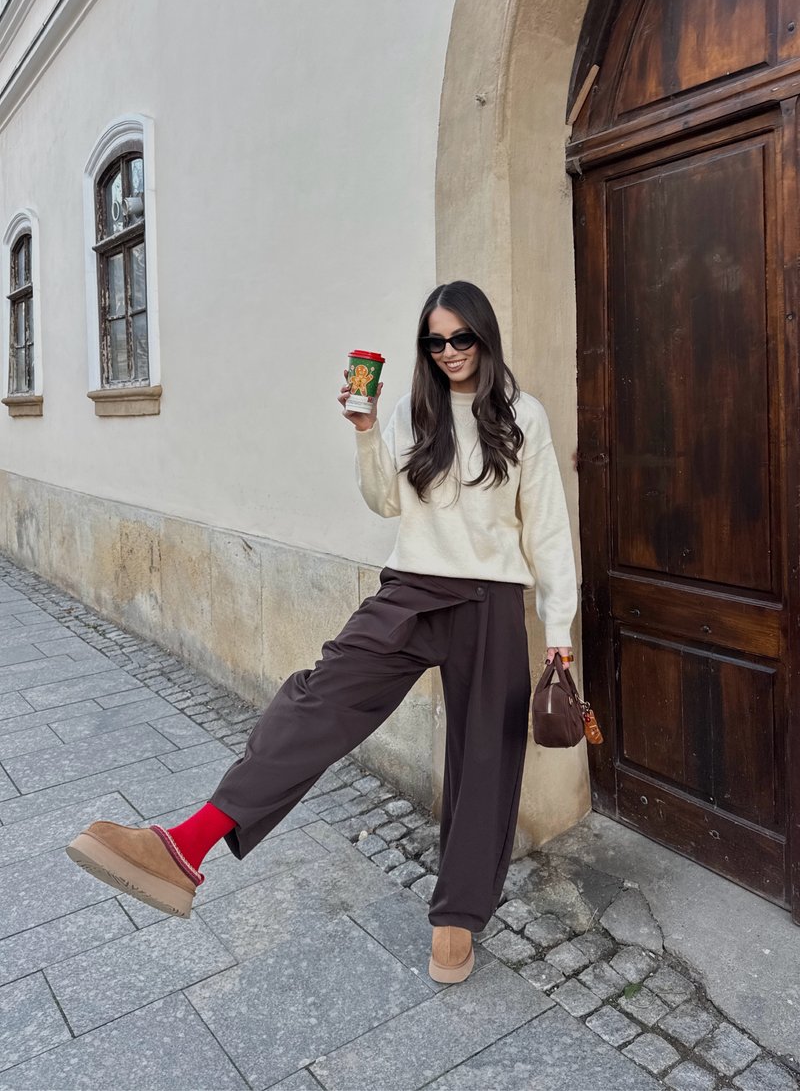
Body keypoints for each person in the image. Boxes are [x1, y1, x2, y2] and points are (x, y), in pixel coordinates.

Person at [66, 281, 577, 985]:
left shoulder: (523, 417)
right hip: (414, 589)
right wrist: (366, 433)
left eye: (463, 338)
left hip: (495, 602)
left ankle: (459, 916)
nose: (451, 352)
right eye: (436, 341)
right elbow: (383, 501)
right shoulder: (411, 412)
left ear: (485, 338)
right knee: (316, 701)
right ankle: (186, 844)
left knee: (485, 760)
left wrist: (558, 628)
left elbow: (548, 526)